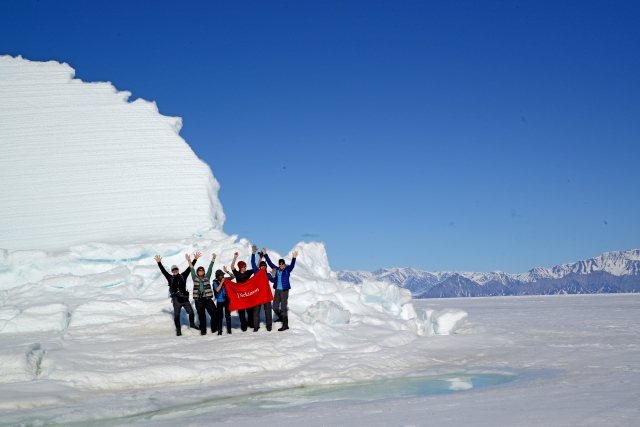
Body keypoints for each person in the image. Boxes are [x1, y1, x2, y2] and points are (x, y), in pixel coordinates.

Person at [155, 253, 199, 336]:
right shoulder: (170, 278)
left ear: (178, 270)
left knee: (191, 313)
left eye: (176, 269)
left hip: (185, 298)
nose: (175, 271)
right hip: (176, 300)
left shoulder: (183, 276)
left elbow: (190, 268)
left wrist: (195, 259)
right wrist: (159, 263)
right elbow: (163, 271)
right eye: (173, 270)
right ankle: (178, 330)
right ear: (172, 272)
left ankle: (192, 324)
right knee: (177, 316)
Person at [263, 248, 298, 332]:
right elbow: (270, 263)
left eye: (283, 264)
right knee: (275, 307)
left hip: (284, 291)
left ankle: (285, 325)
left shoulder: (287, 270)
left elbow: (292, 265)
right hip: (277, 290)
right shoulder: (276, 269)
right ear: (279, 264)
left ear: (284, 264)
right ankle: (281, 317)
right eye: (280, 264)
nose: (281, 265)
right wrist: (265, 254)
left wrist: (294, 258)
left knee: (283, 307)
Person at [187, 253, 218, 336]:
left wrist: (213, 258)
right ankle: (203, 331)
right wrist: (189, 260)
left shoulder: (207, 277)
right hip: (199, 300)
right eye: (199, 270)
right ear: (197, 272)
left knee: (214, 313)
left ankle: (214, 328)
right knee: (202, 316)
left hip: (207, 299)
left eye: (202, 270)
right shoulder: (195, 278)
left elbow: (210, 268)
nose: (201, 271)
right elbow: (191, 269)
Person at [250, 245, 275, 332]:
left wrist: (274, 275)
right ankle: (256, 327)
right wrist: (253, 253)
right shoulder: (257, 272)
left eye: (265, 266)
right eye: (262, 266)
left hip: (266, 296)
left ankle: (269, 326)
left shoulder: (267, 275)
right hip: (257, 295)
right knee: (256, 312)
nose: (263, 267)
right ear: (260, 267)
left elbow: (273, 280)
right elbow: (253, 263)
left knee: (268, 312)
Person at [231, 251, 255, 331]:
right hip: (240, 296)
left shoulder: (248, 273)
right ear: (240, 267)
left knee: (250, 311)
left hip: (248, 295)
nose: (245, 267)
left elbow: (256, 268)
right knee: (241, 312)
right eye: (243, 266)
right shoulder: (237, 274)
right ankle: (243, 325)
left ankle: (250, 323)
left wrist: (260, 258)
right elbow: (232, 267)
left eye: (245, 266)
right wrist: (234, 258)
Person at [213, 267, 234, 335]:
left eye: (223, 275)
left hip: (226, 300)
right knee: (220, 316)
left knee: (228, 315)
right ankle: (219, 331)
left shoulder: (225, 279)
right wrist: (222, 282)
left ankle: (229, 330)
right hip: (219, 301)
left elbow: (233, 276)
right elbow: (217, 290)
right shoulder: (215, 282)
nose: (223, 276)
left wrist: (227, 271)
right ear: (218, 276)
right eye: (221, 275)